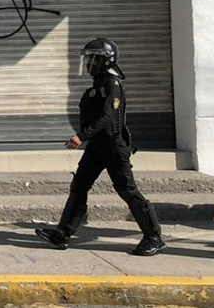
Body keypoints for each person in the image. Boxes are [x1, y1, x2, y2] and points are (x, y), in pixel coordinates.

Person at [35, 38, 165, 256]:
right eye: (88, 59)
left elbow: (107, 116)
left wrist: (81, 136)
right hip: (97, 146)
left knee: (127, 191)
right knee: (79, 186)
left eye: (93, 59)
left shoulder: (112, 85)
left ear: (106, 60)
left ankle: (154, 237)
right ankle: (62, 234)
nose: (89, 63)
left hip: (113, 147)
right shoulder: (100, 83)